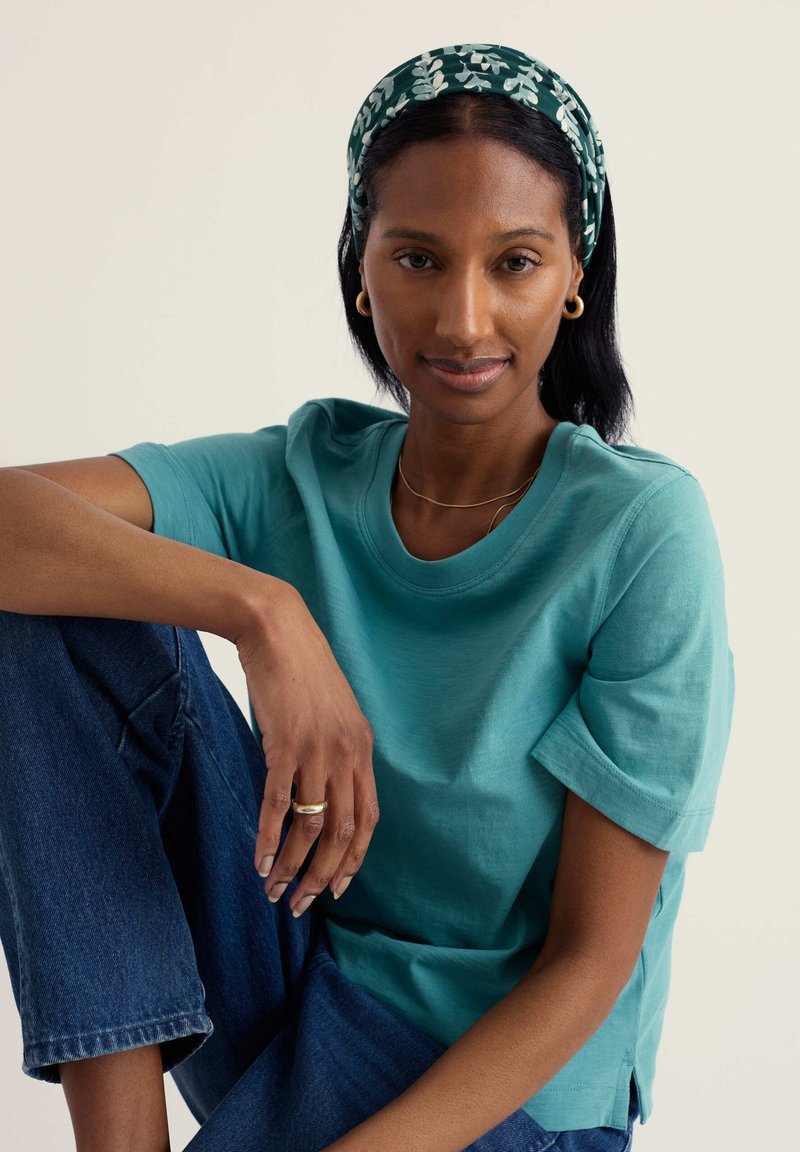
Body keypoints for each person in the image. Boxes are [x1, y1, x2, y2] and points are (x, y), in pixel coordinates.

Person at [0, 42, 735, 1152]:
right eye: (419, 259)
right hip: (298, 980)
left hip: (500, 1097)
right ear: (360, 267)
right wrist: (265, 615)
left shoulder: (637, 533)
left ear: (576, 273)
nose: (463, 321)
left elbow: (589, 963)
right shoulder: (304, 471)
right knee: (49, 603)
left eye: (516, 262)